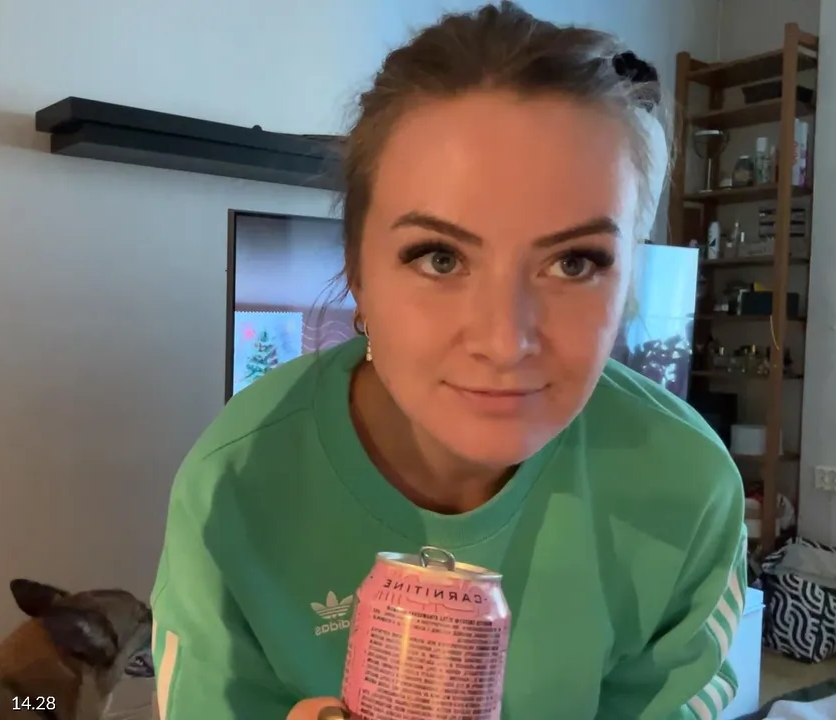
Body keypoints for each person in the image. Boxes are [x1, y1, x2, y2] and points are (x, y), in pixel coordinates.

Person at [146, 3, 746, 719]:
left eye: (575, 262)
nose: (503, 341)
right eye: (439, 257)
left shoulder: (686, 487)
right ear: (357, 271)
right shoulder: (236, 488)